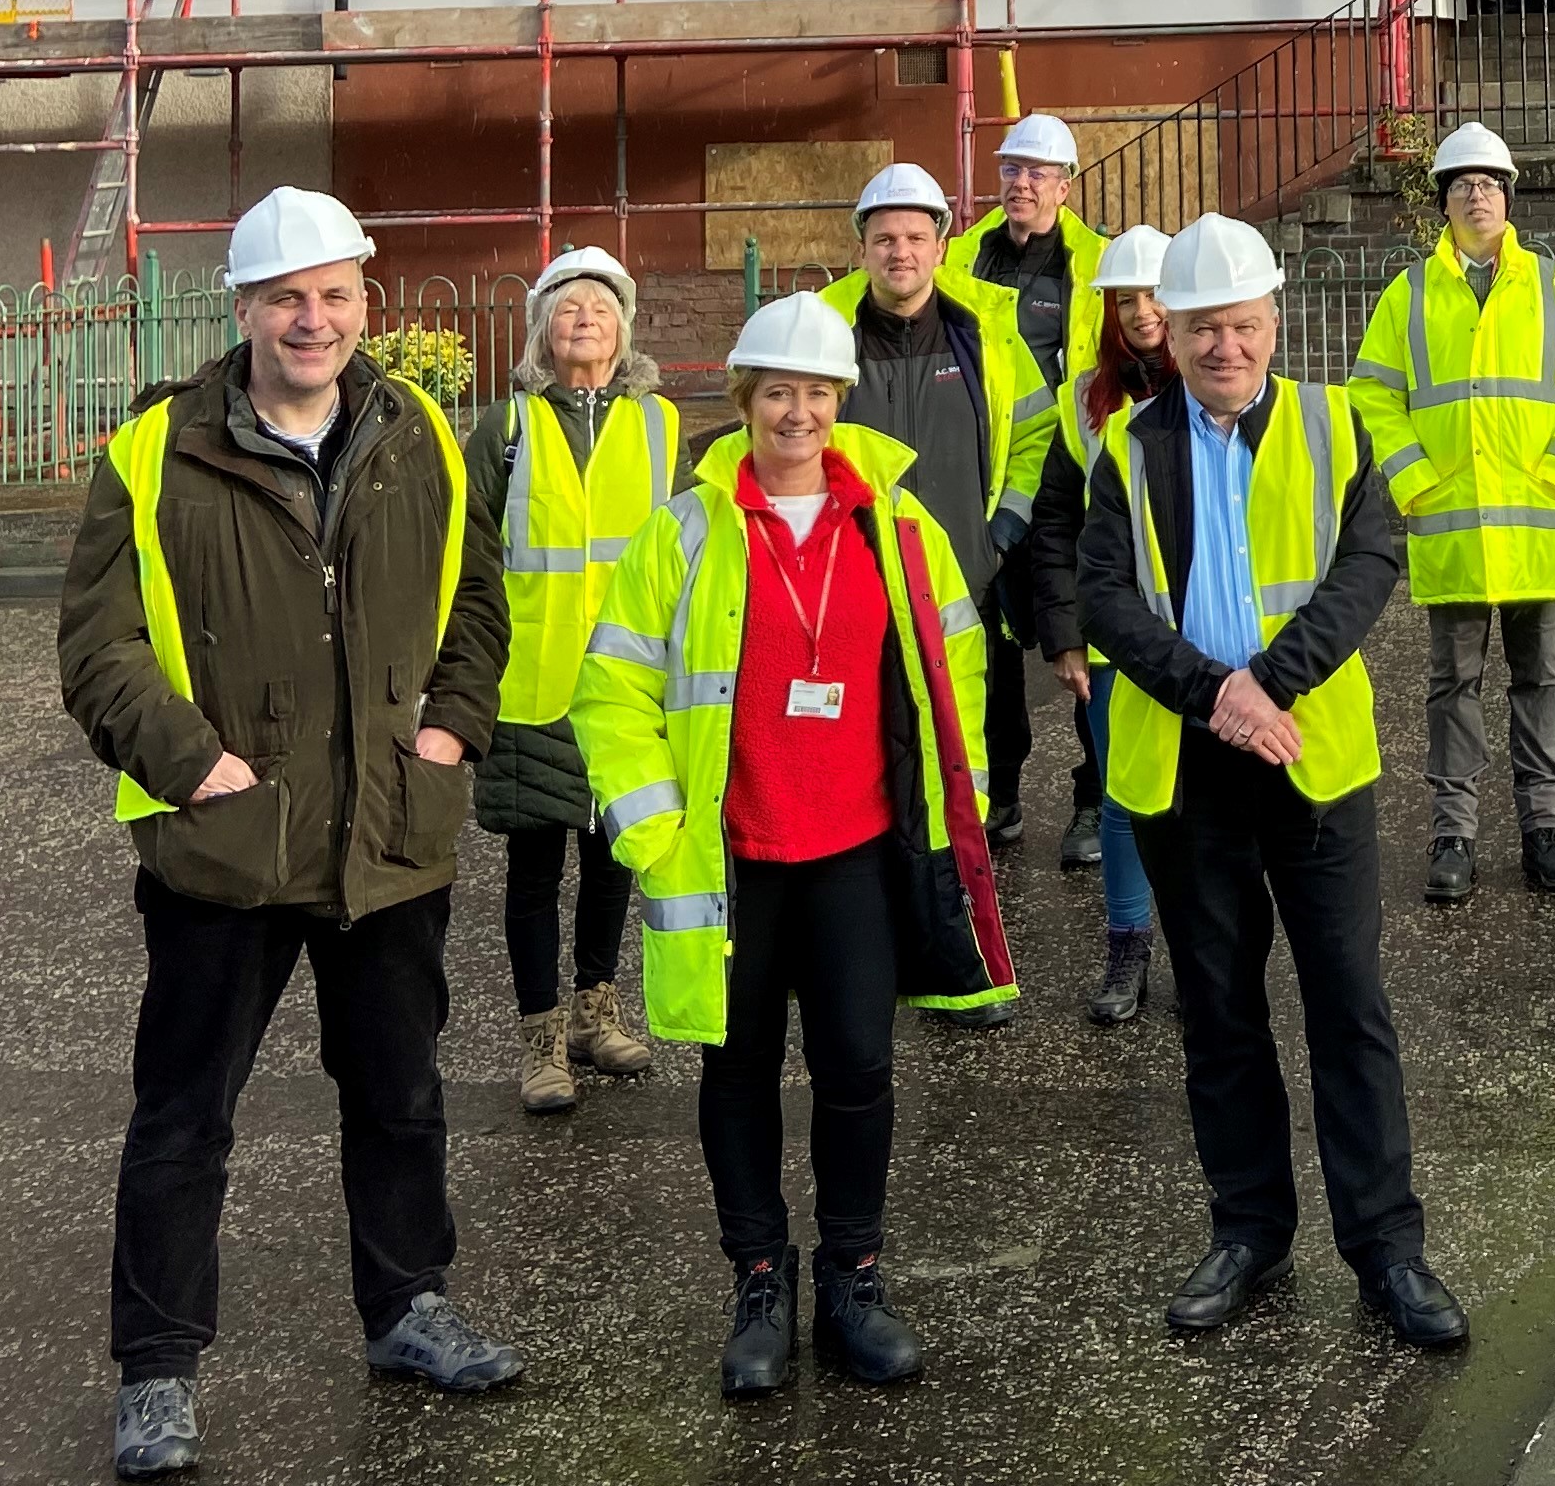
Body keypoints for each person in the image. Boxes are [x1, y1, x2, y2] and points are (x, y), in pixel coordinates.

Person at [55, 186, 520, 1483]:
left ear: (365, 300)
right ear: (244, 310)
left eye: (333, 294)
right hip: (227, 846)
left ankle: (407, 1307)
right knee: (185, 1117)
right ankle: (157, 1370)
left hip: (387, 833)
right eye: (285, 297)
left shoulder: (419, 429)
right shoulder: (153, 453)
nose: (312, 319)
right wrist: (188, 758)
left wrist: (450, 731)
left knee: (401, 1094)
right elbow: (99, 643)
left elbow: (477, 601)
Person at [574, 292, 1012, 1397]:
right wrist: (657, 833)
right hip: (731, 857)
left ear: (840, 401)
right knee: (740, 1071)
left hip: (860, 852)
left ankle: (853, 1280)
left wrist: (948, 811)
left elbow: (957, 664)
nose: (800, 412)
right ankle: (760, 1282)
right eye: (779, 392)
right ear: (745, 400)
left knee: (861, 1068)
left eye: (818, 392)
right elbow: (612, 690)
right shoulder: (685, 530)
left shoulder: (898, 527)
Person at [1076, 212, 1468, 1351]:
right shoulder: (1128, 447)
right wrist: (1214, 696)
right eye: (1203, 329)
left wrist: (1269, 685)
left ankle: (1388, 1250)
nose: (1224, 347)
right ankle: (1248, 1230)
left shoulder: (1336, 425)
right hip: (1190, 771)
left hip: (1312, 761)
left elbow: (1369, 566)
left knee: (1350, 1008)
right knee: (1219, 1015)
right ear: (1172, 333)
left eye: (1243, 326)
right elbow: (1104, 596)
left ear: (1273, 322)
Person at [1345, 120, 1555, 906]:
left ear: (1508, 197)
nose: (1478, 196)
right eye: (1463, 184)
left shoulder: (1552, 286)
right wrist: (1416, 481)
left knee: (1542, 680)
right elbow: (1372, 393)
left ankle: (1545, 828)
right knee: (1451, 686)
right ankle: (1454, 835)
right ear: (1443, 201)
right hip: (1454, 528)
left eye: (1490, 184)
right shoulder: (1410, 294)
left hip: (1534, 527)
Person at [472, 246, 673, 1116]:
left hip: (626, 684)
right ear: (541, 334)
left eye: (599, 308)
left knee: (611, 857)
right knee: (533, 869)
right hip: (531, 683)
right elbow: (471, 559)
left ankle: (597, 1009)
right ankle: (541, 1038)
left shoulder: (663, 425)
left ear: (624, 329)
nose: (584, 320)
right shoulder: (506, 428)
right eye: (566, 309)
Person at [826, 164, 1065, 867]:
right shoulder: (828, 329)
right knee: (868, 715)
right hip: (855, 574)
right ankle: (874, 838)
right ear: (862, 248)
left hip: (966, 565)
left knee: (971, 710)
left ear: (940, 246)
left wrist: (1004, 529)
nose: (900, 251)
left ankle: (969, 844)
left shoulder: (982, 332)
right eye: (884, 238)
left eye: (914, 237)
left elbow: (1034, 432)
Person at [958, 113, 1115, 872]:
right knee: (984, 648)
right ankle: (1001, 793)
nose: (1021, 184)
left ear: (1065, 184)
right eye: (1011, 169)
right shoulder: (963, 261)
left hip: (1074, 485)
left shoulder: (1094, 264)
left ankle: (1093, 797)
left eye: (1036, 172)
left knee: (1080, 638)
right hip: (985, 479)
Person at [1038, 221, 1180, 1024]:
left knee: (1196, 799)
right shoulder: (1081, 405)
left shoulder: (1212, 384)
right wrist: (1064, 635)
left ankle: (1198, 948)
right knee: (1123, 796)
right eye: (1124, 297)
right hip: (1113, 635)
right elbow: (1056, 527)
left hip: (1201, 633)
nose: (1140, 310)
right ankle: (1128, 946)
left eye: (1153, 293)